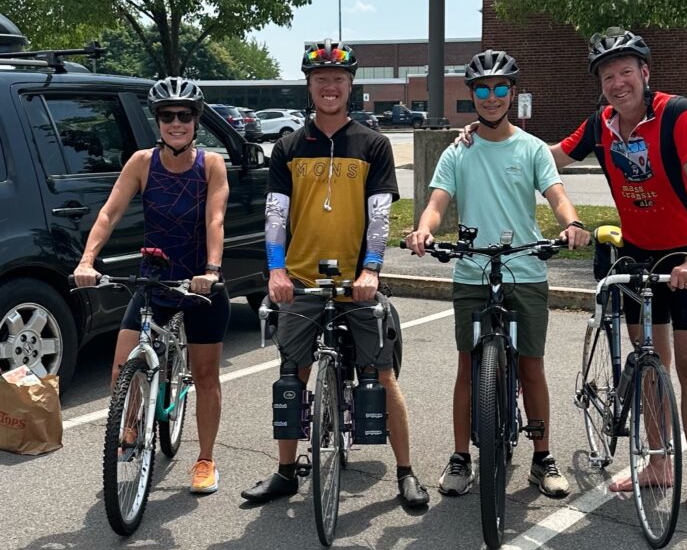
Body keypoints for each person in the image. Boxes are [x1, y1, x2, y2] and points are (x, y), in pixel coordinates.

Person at [241, 40, 429, 508]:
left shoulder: (373, 143)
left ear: (350, 86)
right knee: (292, 375)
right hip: (301, 278)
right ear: (309, 86)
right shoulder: (287, 147)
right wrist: (276, 271)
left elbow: (380, 216)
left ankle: (406, 472)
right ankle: (286, 471)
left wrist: (371, 270)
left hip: (356, 281)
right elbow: (275, 217)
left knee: (381, 376)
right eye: (320, 79)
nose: (330, 87)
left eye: (338, 80)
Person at [406, 49, 591, 499]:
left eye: (500, 88)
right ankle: (459, 457)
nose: (492, 97)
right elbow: (435, 204)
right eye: (483, 90)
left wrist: (571, 222)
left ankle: (542, 457)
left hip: (525, 269)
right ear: (472, 95)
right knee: (467, 367)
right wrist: (422, 231)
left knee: (531, 366)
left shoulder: (530, 149)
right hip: (472, 270)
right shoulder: (459, 150)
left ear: (512, 93)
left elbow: (556, 194)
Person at [551, 27, 687, 514]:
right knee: (649, 365)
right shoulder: (600, 124)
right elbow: (548, 157)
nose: (618, 82)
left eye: (626, 71)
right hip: (637, 254)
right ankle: (657, 463)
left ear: (644, 74)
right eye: (608, 75)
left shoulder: (676, 114)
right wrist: (487, 133)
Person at [74, 76, 230, 495]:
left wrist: (212, 271)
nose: (175, 123)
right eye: (167, 116)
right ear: (157, 120)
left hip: (199, 281)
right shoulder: (142, 163)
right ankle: (130, 427)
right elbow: (108, 214)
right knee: (121, 364)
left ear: (196, 120)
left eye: (184, 116)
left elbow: (215, 220)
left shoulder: (210, 164)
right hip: (155, 276)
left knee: (206, 374)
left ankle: (205, 459)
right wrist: (87, 260)